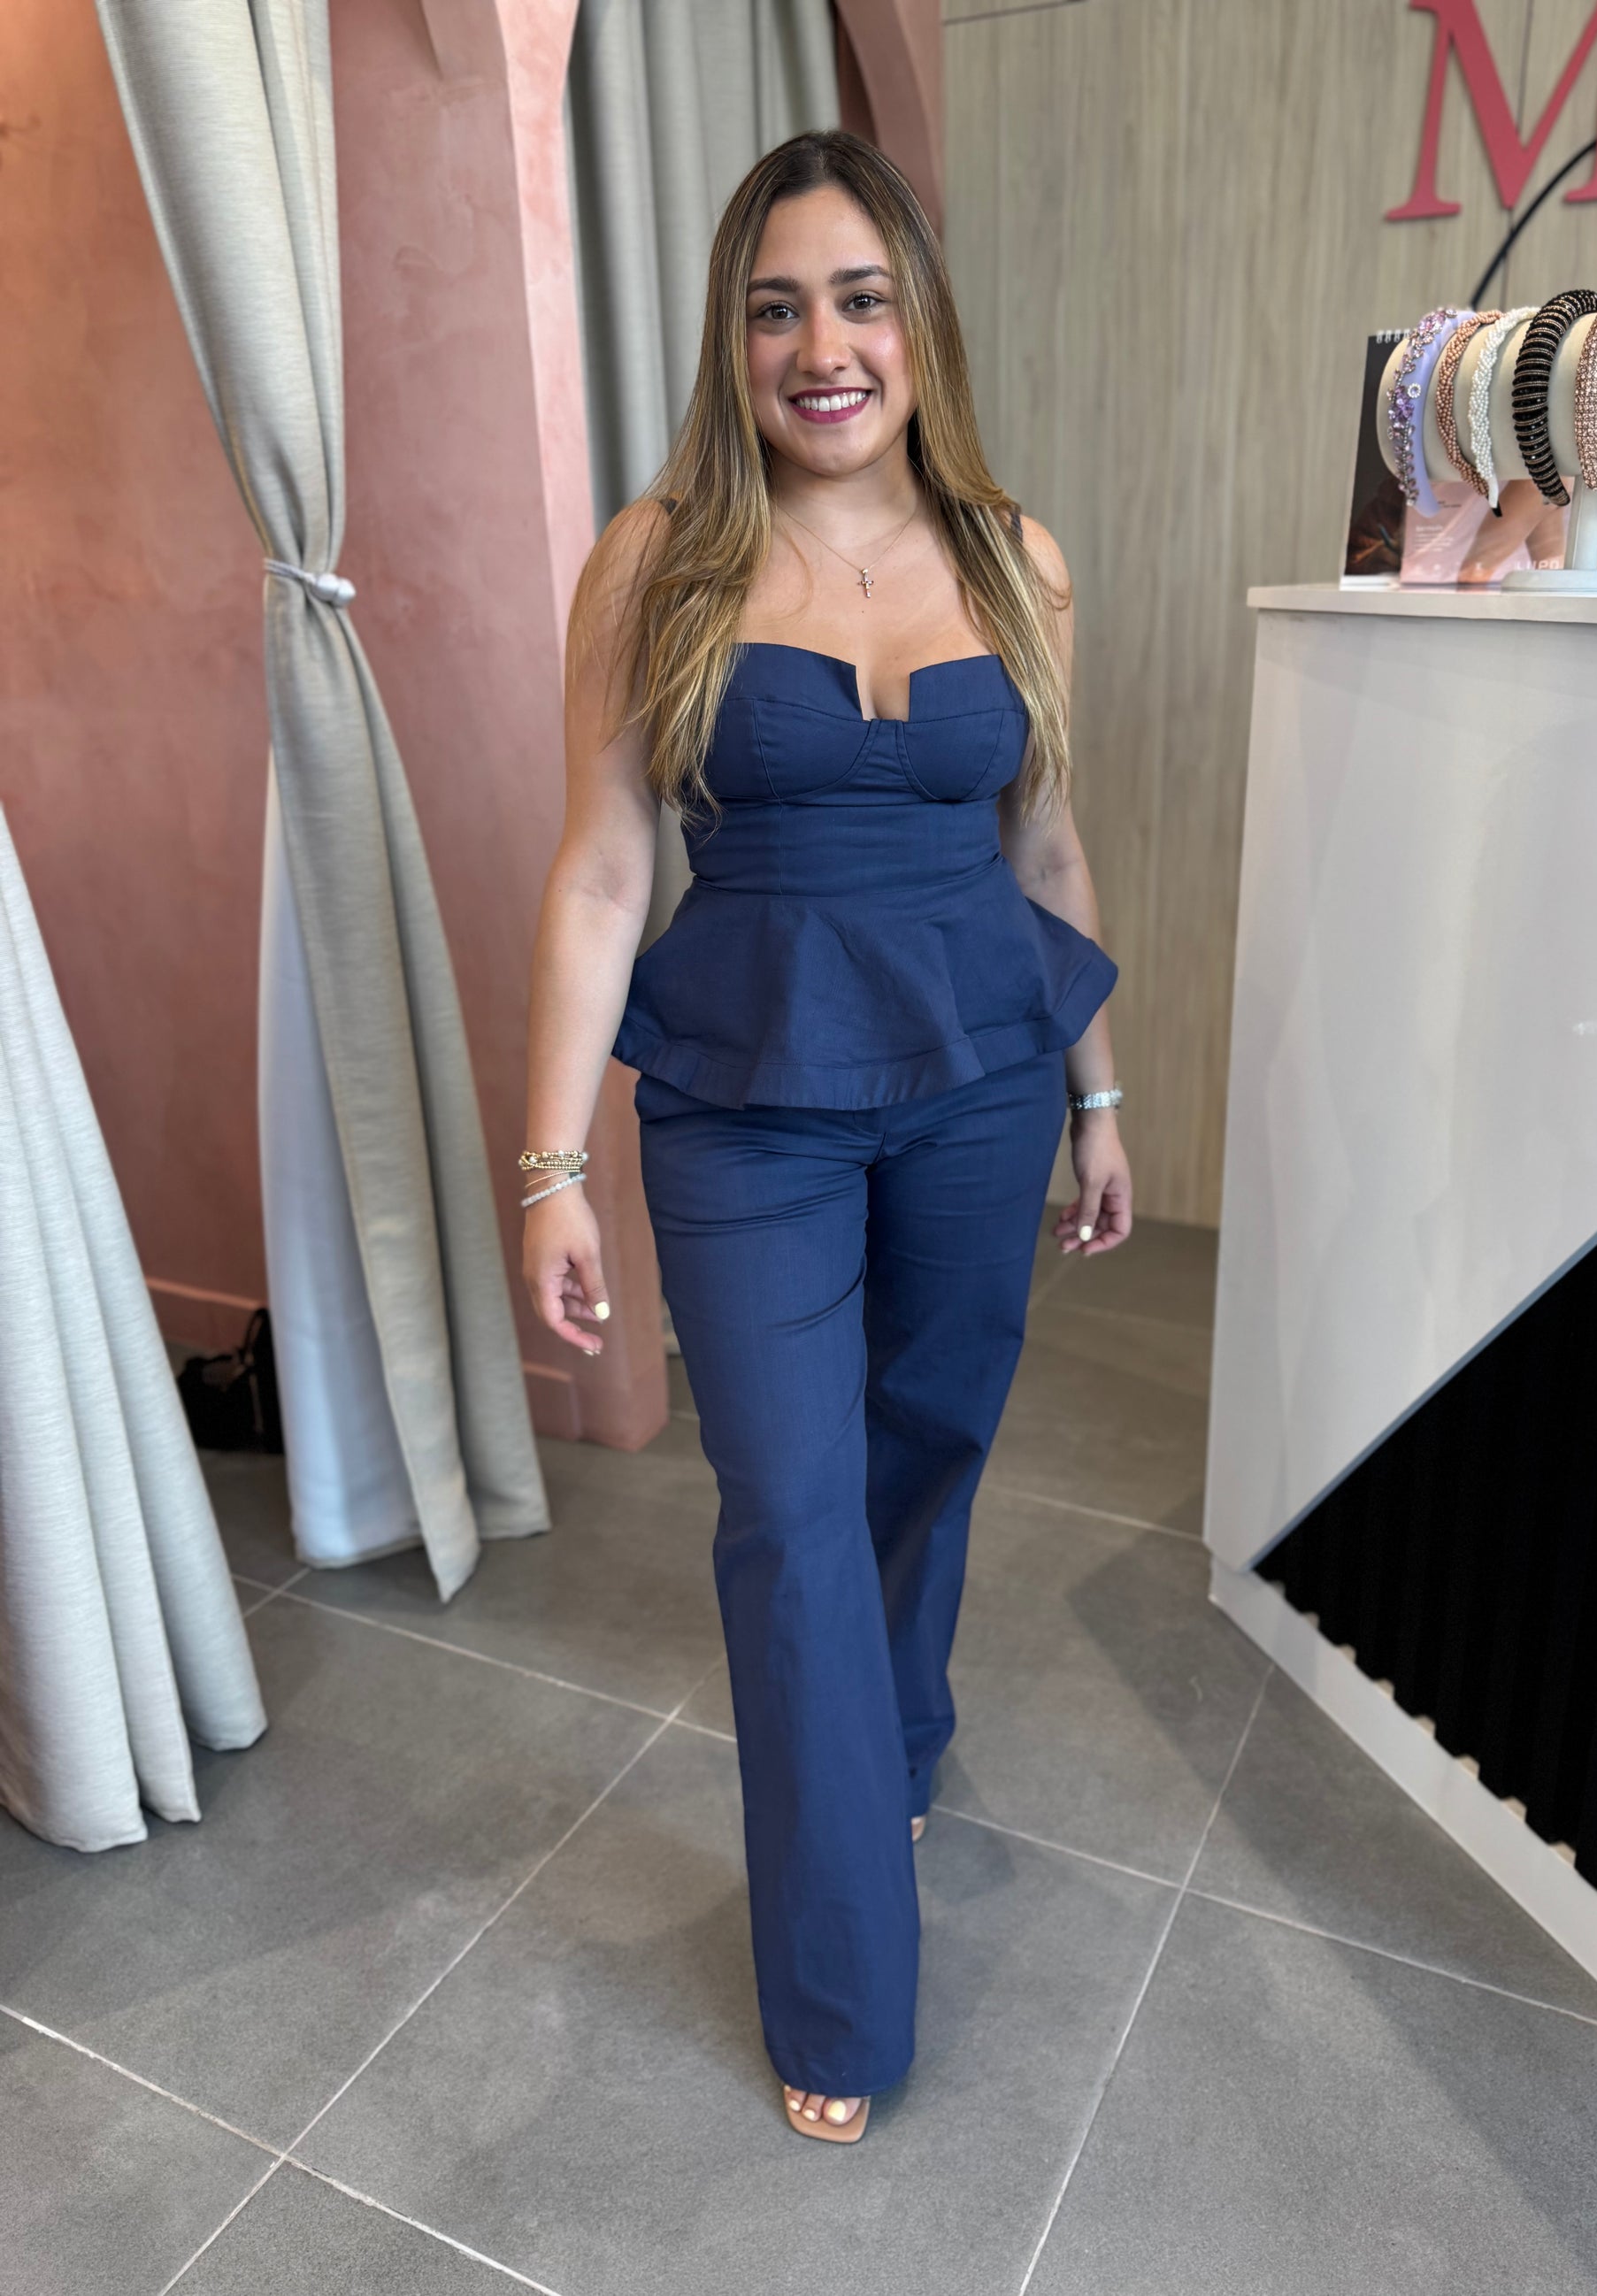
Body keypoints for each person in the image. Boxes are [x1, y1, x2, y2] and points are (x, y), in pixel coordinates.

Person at [521, 130, 1130, 2145]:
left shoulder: (1017, 556)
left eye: (859, 299)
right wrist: (549, 1165)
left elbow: (1047, 845)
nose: (821, 347)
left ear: (916, 320)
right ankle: (843, 1986)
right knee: (787, 1510)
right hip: (744, 1102)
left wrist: (1098, 1093)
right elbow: (602, 868)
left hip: (978, 1077)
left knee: (927, 1438)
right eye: (775, 308)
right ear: (733, 338)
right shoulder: (658, 558)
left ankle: (901, 1727)